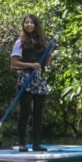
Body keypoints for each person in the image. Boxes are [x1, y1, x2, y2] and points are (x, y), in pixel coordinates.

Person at [10, 15, 52, 152]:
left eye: (31, 22)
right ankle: (22, 143)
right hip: (25, 78)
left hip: (38, 79)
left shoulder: (41, 43)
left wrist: (49, 53)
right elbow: (14, 63)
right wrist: (31, 65)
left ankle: (36, 144)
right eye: (26, 22)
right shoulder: (19, 42)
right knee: (25, 111)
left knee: (38, 112)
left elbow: (47, 64)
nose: (28, 25)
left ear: (36, 25)